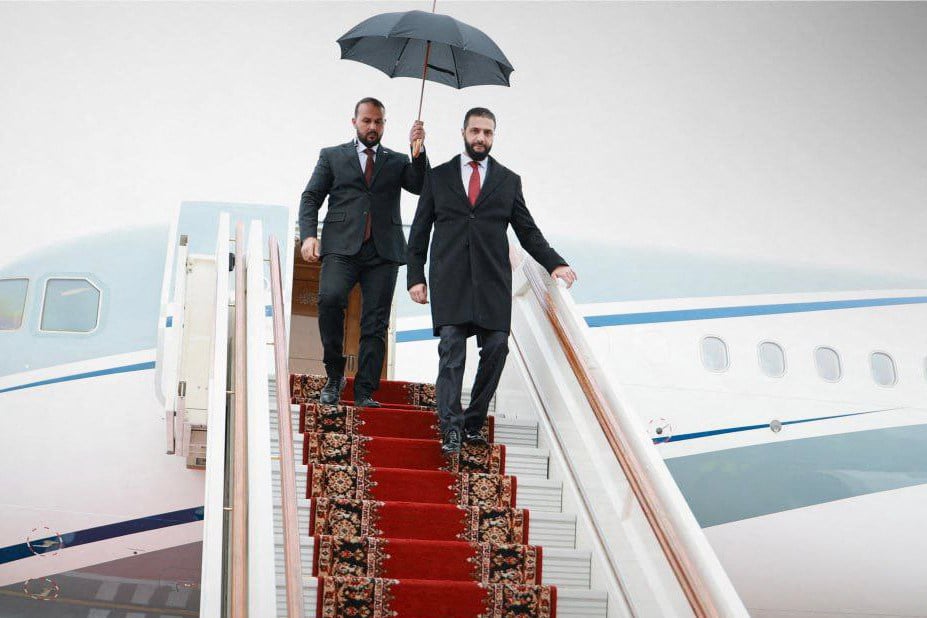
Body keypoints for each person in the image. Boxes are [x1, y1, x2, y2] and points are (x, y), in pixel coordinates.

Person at [406, 107, 577, 454]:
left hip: (492, 281)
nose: (481, 138)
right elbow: (419, 232)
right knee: (452, 351)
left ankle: (473, 422)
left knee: (497, 348)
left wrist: (555, 263)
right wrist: (415, 278)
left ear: (493, 136)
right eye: (475, 131)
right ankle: (450, 427)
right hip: (450, 280)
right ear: (463, 132)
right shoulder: (437, 178)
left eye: (487, 132)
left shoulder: (508, 181)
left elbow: (527, 231)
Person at [299, 97, 427, 407]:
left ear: (384, 125)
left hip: (382, 252)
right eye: (367, 120)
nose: (372, 127)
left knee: (375, 323)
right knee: (329, 300)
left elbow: (421, 185)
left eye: (378, 122)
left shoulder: (396, 161)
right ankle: (334, 374)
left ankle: (365, 391)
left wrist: (418, 151)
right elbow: (311, 197)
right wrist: (307, 237)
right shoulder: (332, 156)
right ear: (354, 121)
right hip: (340, 247)